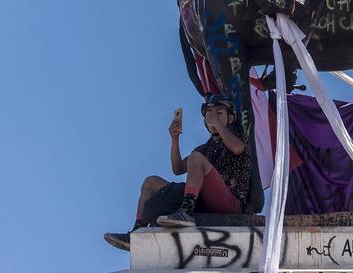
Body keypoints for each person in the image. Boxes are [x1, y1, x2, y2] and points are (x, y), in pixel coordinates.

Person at [103, 96, 253, 251]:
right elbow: (178, 168)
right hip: (204, 201)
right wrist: (175, 139)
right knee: (150, 183)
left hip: (230, 202)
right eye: (209, 114)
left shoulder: (238, 137)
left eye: (219, 113)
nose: (213, 117)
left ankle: (186, 211)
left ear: (231, 117)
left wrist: (217, 124)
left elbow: (237, 148)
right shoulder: (205, 148)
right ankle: (136, 233)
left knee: (196, 158)